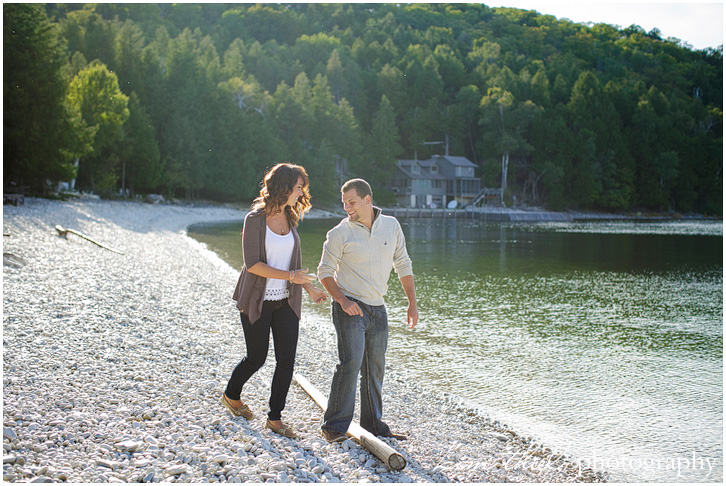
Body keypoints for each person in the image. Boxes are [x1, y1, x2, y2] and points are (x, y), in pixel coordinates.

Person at [222, 163, 327, 439]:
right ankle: (232, 395)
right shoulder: (254, 220)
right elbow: (252, 264)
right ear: (283, 187)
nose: (301, 192)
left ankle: (275, 418)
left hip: (286, 301)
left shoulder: (290, 219)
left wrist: (310, 289)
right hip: (257, 299)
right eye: (297, 187)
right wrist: (291, 276)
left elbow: (295, 265)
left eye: (302, 187)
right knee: (257, 358)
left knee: (287, 360)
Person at [317, 178, 418, 443]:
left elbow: (403, 263)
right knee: (349, 366)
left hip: (378, 308)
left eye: (351, 202)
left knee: (375, 368)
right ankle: (334, 426)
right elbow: (324, 272)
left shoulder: (391, 226)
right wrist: (342, 300)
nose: (347, 208)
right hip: (349, 306)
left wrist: (412, 303)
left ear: (367, 200)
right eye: (344, 203)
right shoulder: (340, 232)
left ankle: (373, 424)